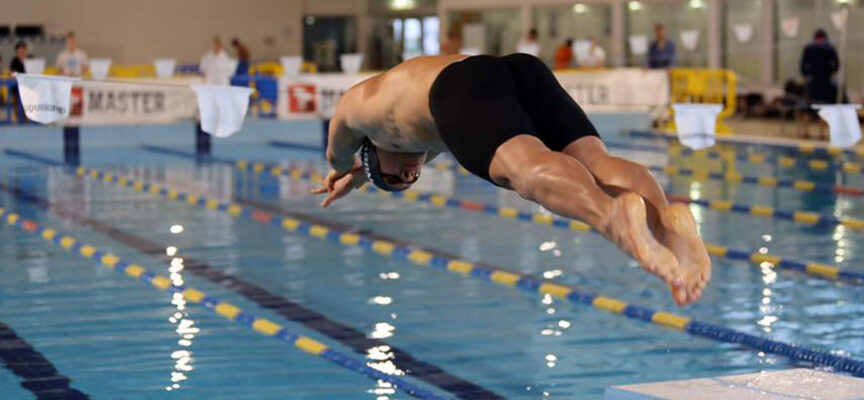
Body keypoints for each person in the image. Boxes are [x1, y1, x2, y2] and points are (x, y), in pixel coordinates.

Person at [312, 54, 711, 306]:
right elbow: (427, 139)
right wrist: (368, 175)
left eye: (393, 175)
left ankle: (611, 215)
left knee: (526, 171)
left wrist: (345, 170)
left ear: (372, 150)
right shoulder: (417, 130)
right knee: (595, 161)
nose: (409, 174)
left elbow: (336, 151)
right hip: (517, 69)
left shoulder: (357, 110)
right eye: (409, 181)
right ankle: (667, 217)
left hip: (459, 86)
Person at [800, 29, 839, 104]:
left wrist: (805, 74)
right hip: (825, 78)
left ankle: (813, 113)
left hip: (814, 77)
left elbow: (803, 63)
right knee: (826, 98)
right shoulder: (829, 48)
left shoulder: (809, 48)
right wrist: (832, 71)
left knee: (813, 99)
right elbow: (836, 63)